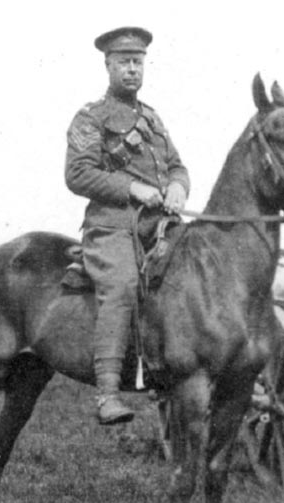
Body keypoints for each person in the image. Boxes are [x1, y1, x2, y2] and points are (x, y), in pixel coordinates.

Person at [65, 26, 190, 425]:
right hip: (112, 225)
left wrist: (176, 188)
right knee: (122, 286)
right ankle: (107, 394)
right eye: (124, 63)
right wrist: (133, 188)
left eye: (138, 62)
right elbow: (78, 174)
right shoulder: (91, 117)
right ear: (108, 65)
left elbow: (177, 166)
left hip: (159, 224)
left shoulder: (152, 118)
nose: (132, 70)